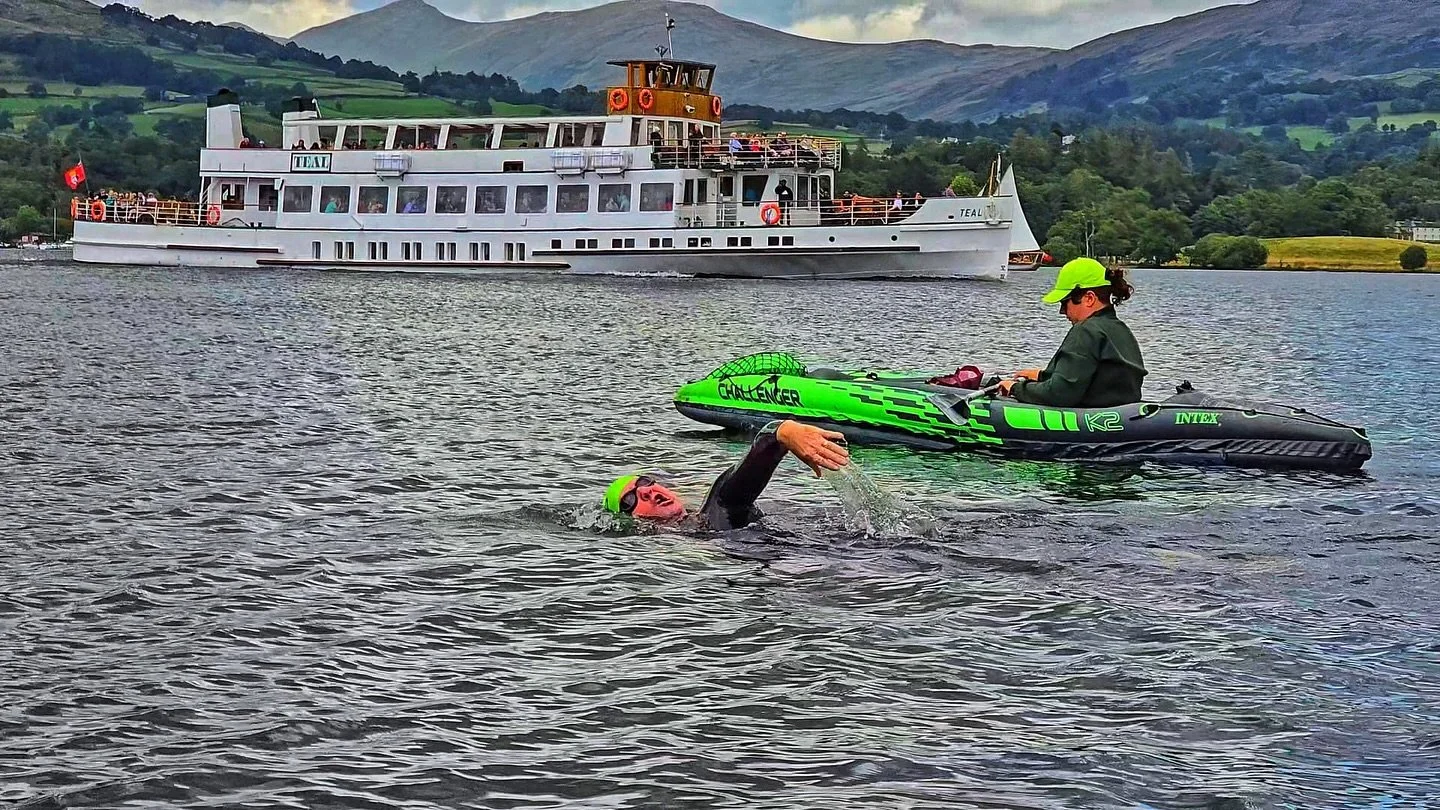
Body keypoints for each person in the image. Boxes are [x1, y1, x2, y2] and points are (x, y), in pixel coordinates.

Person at [602, 420, 849, 530]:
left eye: (645, 482)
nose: (647, 491)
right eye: (630, 501)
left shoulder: (713, 514)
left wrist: (782, 433)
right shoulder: (697, 534)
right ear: (632, 522)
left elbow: (733, 489)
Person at [998, 257, 1147, 408]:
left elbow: (1059, 394)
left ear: (1089, 298)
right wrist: (1043, 376)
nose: (1062, 312)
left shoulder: (1086, 330)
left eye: (1064, 303)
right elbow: (1093, 378)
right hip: (1121, 416)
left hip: (1091, 419)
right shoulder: (1119, 329)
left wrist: (1015, 388)